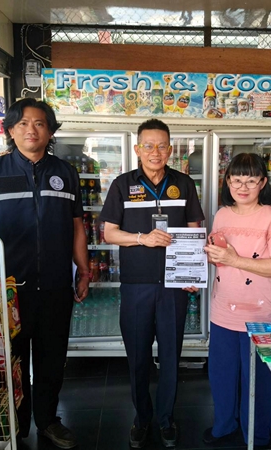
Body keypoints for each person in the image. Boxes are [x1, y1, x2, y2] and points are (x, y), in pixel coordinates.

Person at [0, 98, 89, 450]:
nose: (31, 130)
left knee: (52, 356)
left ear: (50, 131)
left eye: (39, 123)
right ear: (11, 130)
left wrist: (83, 270)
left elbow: (77, 225)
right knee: (13, 358)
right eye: (22, 123)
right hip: (9, 288)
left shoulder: (65, 172)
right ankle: (16, 423)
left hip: (55, 283)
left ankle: (49, 420)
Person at [99, 118, 204, 448]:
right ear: (137, 149)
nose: (155, 152)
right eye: (148, 145)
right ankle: (142, 418)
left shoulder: (184, 184)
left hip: (174, 286)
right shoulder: (122, 185)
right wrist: (142, 238)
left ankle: (166, 418)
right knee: (138, 356)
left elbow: (195, 230)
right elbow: (109, 233)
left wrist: (192, 272)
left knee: (171, 355)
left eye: (161, 146)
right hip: (136, 285)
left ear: (170, 150)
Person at [203, 153, 271, 447]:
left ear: (263, 183)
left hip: (260, 314)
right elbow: (221, 258)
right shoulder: (222, 214)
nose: (243, 187)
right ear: (227, 181)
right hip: (222, 310)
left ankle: (256, 434)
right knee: (222, 375)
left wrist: (233, 259)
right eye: (237, 180)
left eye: (251, 181)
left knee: (258, 380)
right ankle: (224, 425)